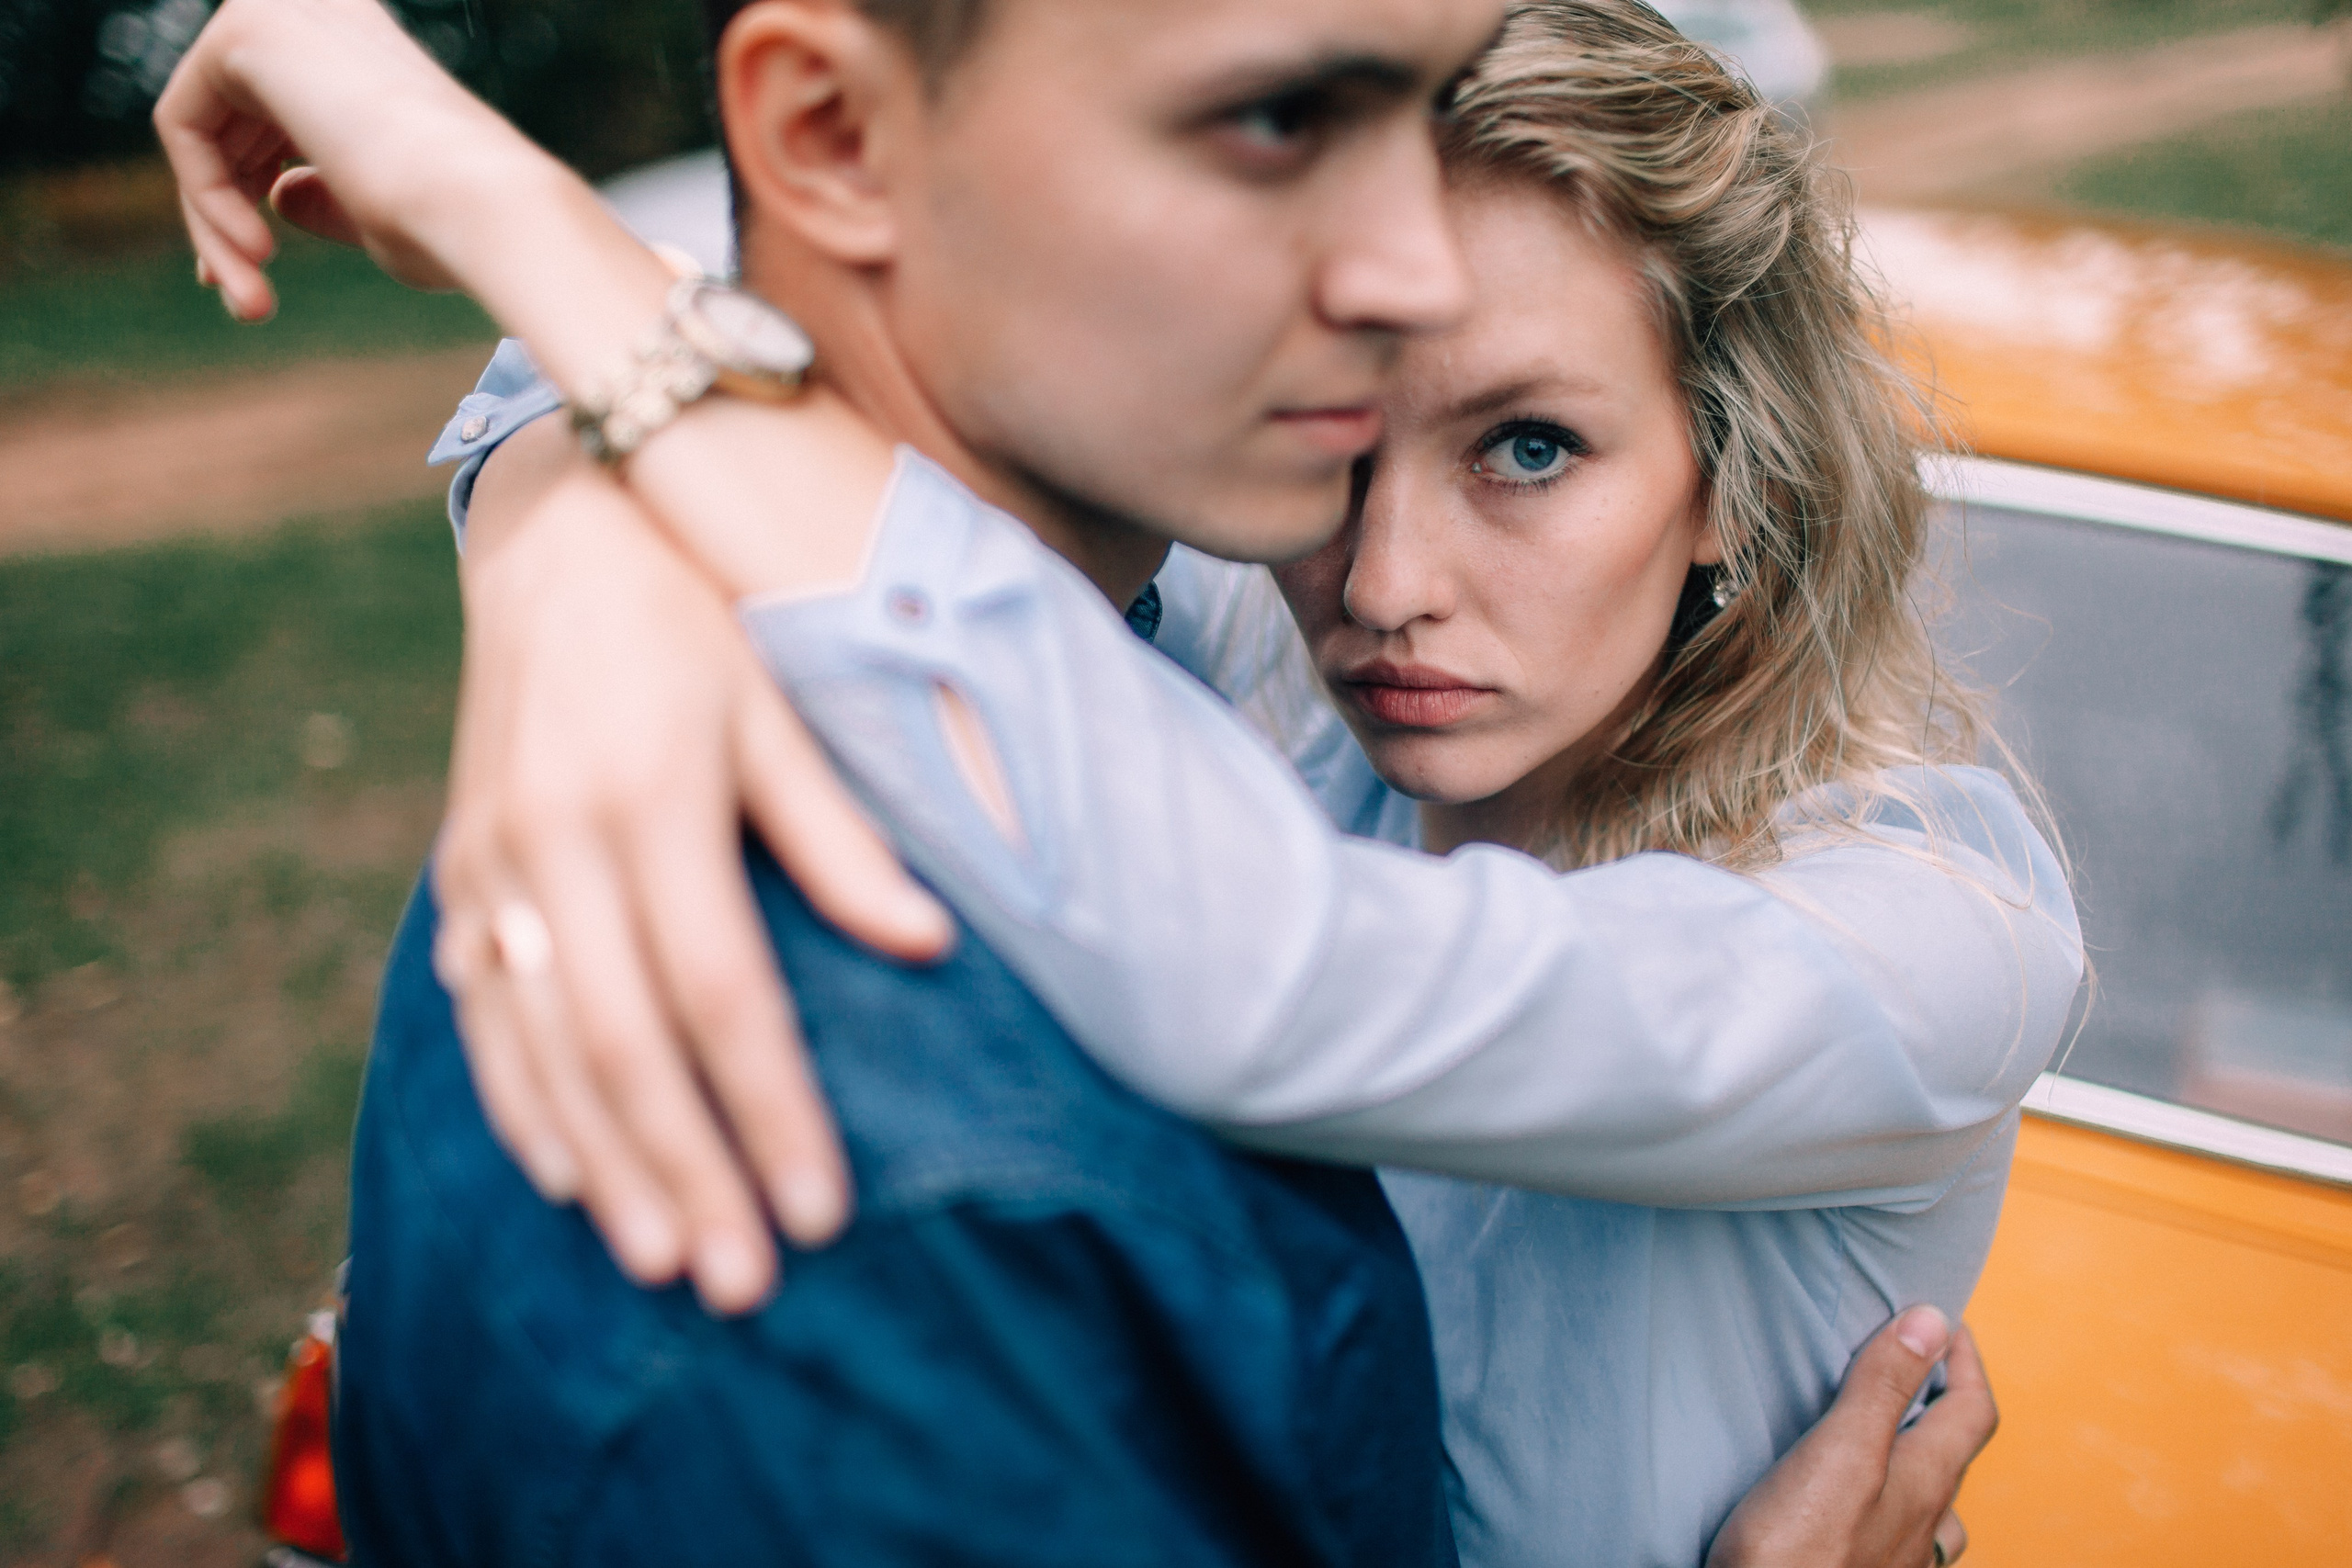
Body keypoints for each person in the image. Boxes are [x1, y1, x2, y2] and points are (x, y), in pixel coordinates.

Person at [156, 0, 2009, 1562]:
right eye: (1345, 444)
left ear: (1734, 480)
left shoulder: (1924, 928)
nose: (1383, 583)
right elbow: (815, 388)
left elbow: (1294, 974)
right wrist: (588, 533)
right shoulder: (1257, 672)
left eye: (1528, 446)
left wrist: (495, 224)